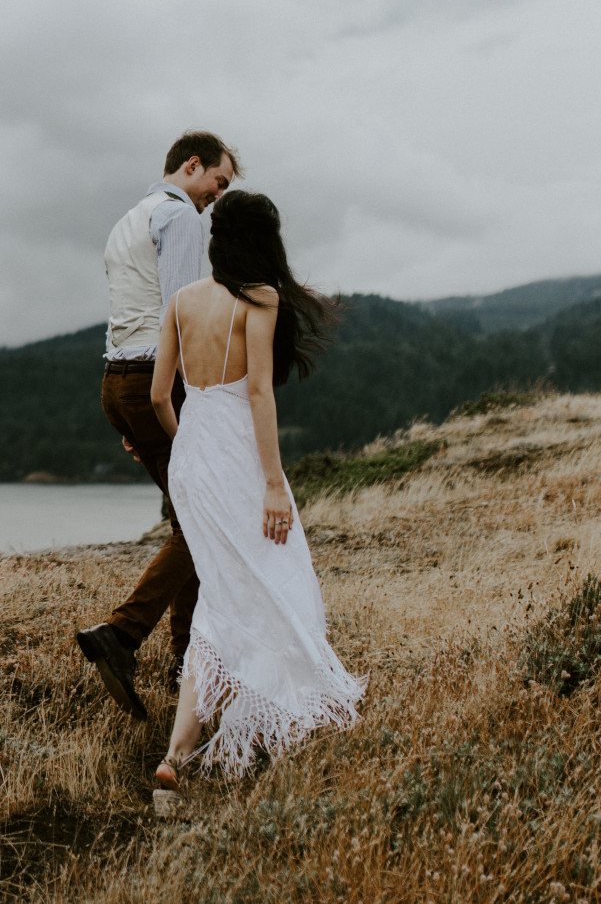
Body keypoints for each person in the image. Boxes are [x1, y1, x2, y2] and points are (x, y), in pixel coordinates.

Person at [151, 190, 363, 784]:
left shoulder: (180, 302)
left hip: (193, 462)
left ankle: (176, 754)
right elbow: (259, 392)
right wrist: (273, 482)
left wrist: (188, 441)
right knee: (276, 579)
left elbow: (158, 396)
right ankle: (278, 718)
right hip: (240, 461)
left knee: (221, 594)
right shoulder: (259, 300)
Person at [76, 131, 237, 719]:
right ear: (192, 166)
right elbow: (183, 311)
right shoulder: (182, 217)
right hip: (155, 379)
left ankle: (183, 657)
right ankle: (121, 637)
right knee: (205, 515)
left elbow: (128, 309)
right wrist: (191, 400)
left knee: (188, 513)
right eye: (218, 183)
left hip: (117, 380)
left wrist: (133, 408)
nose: (217, 197)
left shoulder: (129, 219)